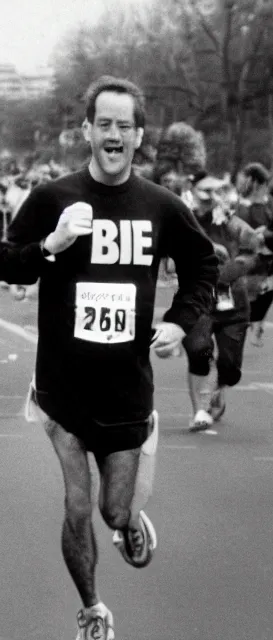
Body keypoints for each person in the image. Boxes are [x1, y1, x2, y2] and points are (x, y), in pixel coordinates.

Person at [8, 75, 218, 639]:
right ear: (87, 131)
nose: (114, 134)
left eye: (125, 125)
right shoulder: (53, 197)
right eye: (104, 124)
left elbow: (203, 266)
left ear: (139, 136)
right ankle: (93, 609)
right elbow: (7, 261)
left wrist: (179, 320)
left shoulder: (161, 206)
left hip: (127, 387)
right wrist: (48, 247)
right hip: (62, 384)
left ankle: (127, 521)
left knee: (111, 512)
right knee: (78, 504)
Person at [182, 174, 265, 430]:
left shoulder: (232, 224)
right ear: (193, 193)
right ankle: (200, 411)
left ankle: (217, 386)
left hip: (233, 305)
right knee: (199, 351)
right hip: (198, 301)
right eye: (203, 192)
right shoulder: (184, 220)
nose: (208, 198)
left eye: (213, 192)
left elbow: (252, 251)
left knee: (230, 368)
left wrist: (229, 272)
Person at [236, 162, 273, 346]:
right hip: (239, 259)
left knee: (265, 296)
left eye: (244, 180)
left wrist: (266, 234)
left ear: (256, 182)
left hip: (265, 260)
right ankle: (243, 325)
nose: (240, 184)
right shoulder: (235, 204)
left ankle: (257, 325)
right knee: (240, 297)